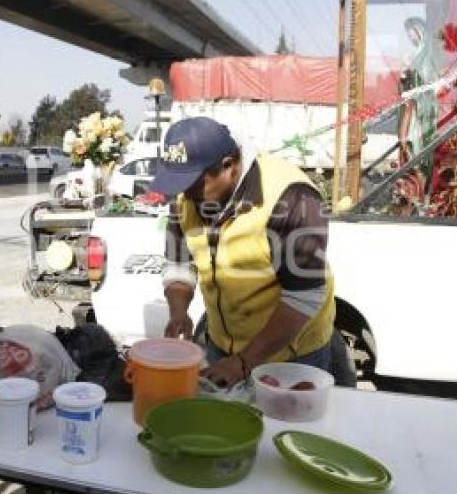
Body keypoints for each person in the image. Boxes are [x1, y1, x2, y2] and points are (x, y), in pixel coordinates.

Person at [152, 117, 355, 389]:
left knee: (283, 429)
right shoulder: (188, 196)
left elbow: (303, 297)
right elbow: (179, 264)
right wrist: (178, 312)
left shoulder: (291, 197)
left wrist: (244, 362)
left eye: (194, 184)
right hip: (222, 345)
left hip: (292, 357)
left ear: (229, 165)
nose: (186, 195)